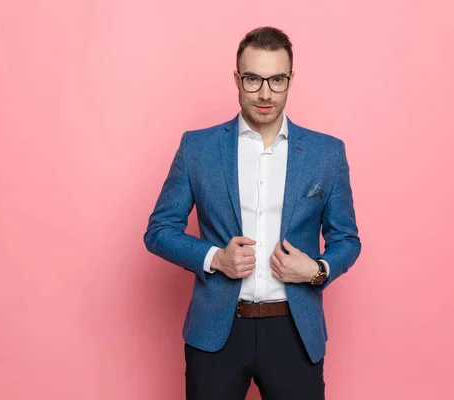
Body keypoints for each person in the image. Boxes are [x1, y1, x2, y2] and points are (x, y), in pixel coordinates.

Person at [143, 26, 361, 400]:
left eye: (277, 80)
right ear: (237, 79)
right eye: (253, 79)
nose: (265, 93)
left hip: (294, 332)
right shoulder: (198, 148)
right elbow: (159, 230)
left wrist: (317, 269)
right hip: (217, 333)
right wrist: (215, 258)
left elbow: (347, 239)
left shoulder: (327, 154)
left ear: (290, 79)